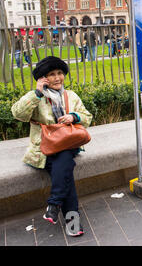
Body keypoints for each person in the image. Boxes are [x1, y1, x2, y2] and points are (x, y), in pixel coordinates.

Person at [11, 56, 92, 237]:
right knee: (66, 171)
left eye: (60, 73)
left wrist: (74, 117)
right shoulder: (36, 97)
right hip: (44, 150)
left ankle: (54, 204)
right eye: (52, 74)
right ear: (43, 78)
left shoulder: (70, 96)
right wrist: (37, 93)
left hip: (68, 144)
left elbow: (87, 117)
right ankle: (70, 219)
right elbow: (17, 114)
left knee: (64, 158)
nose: (57, 78)